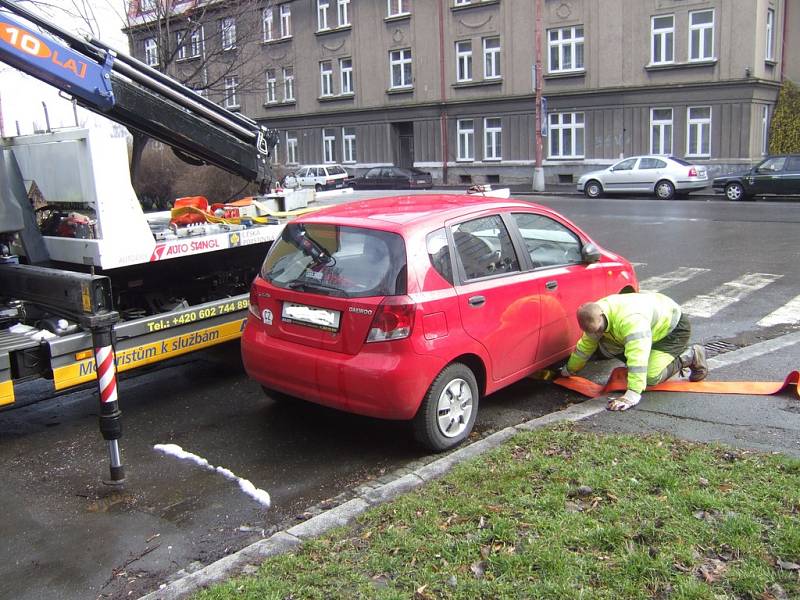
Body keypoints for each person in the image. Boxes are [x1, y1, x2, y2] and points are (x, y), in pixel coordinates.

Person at [560, 292, 708, 411]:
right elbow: (585, 347)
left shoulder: (631, 322)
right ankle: (656, 362)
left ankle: (692, 355)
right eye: (591, 332)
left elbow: (638, 356)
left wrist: (632, 394)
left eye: (598, 330)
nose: (595, 334)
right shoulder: (596, 313)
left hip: (672, 330)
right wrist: (569, 370)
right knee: (605, 347)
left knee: (650, 377)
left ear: (601, 316)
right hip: (650, 324)